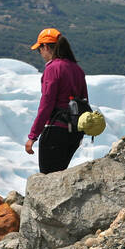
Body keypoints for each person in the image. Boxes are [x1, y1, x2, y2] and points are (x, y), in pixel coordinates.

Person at [26, 28, 89, 174]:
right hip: (74, 133)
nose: (40, 53)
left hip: (56, 130)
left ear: (46, 47)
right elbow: (84, 100)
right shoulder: (77, 69)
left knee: (48, 177)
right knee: (60, 173)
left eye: (39, 49)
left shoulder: (53, 68)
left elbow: (46, 104)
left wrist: (33, 136)